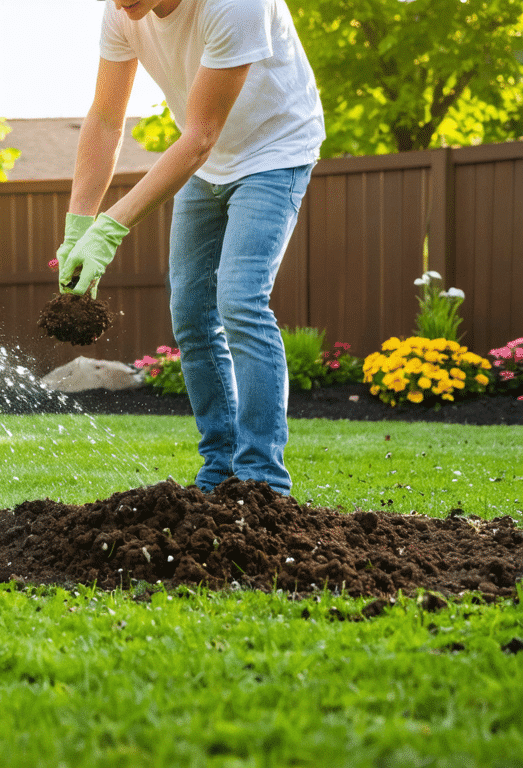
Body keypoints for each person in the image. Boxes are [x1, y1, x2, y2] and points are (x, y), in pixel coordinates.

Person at [57, 0, 324, 495]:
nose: (118, 2)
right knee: (191, 314)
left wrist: (111, 228)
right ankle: (219, 465)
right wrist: (79, 223)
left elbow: (200, 133)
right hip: (207, 161)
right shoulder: (122, 13)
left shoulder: (235, 4)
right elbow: (105, 119)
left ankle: (262, 479)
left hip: (274, 150)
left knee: (241, 300)